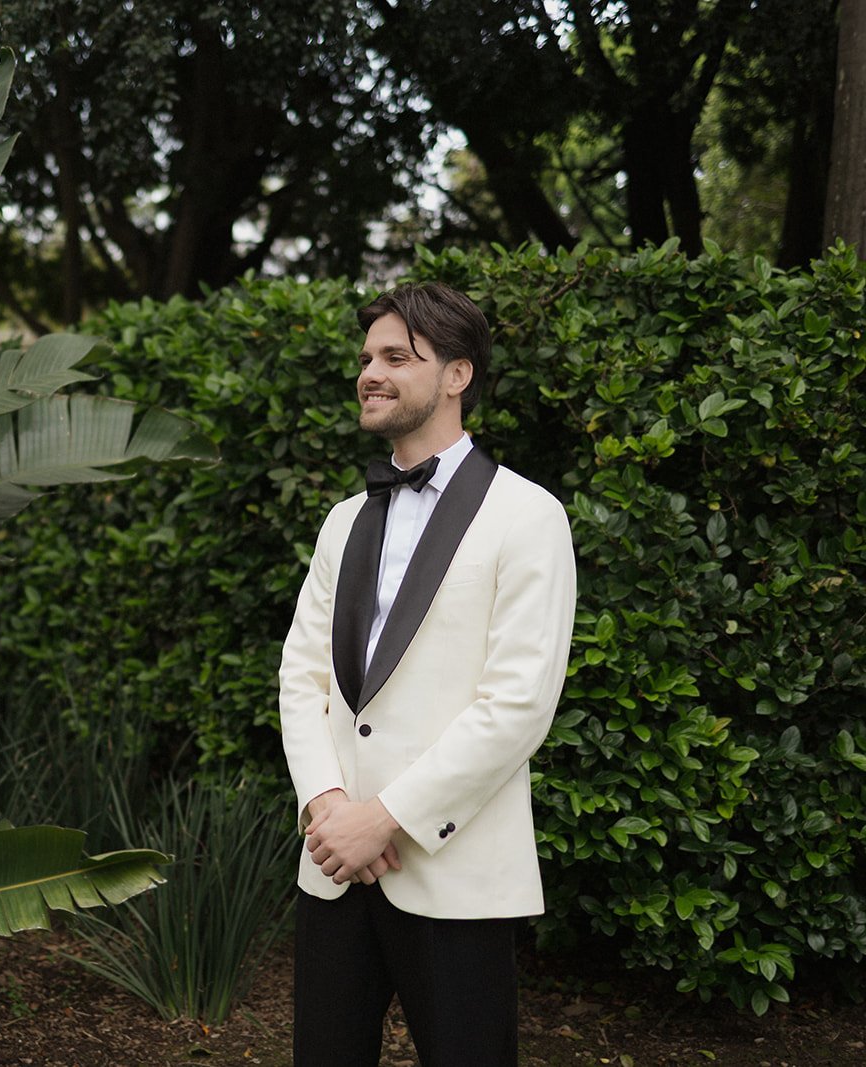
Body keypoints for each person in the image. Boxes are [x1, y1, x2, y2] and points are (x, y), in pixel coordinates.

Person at [278, 282, 577, 1065]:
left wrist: (387, 818)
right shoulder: (344, 519)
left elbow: (517, 705)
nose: (369, 372)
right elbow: (301, 677)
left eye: (395, 357)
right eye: (366, 357)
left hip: (455, 866)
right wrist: (329, 806)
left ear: (457, 375)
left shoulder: (529, 515)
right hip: (336, 867)